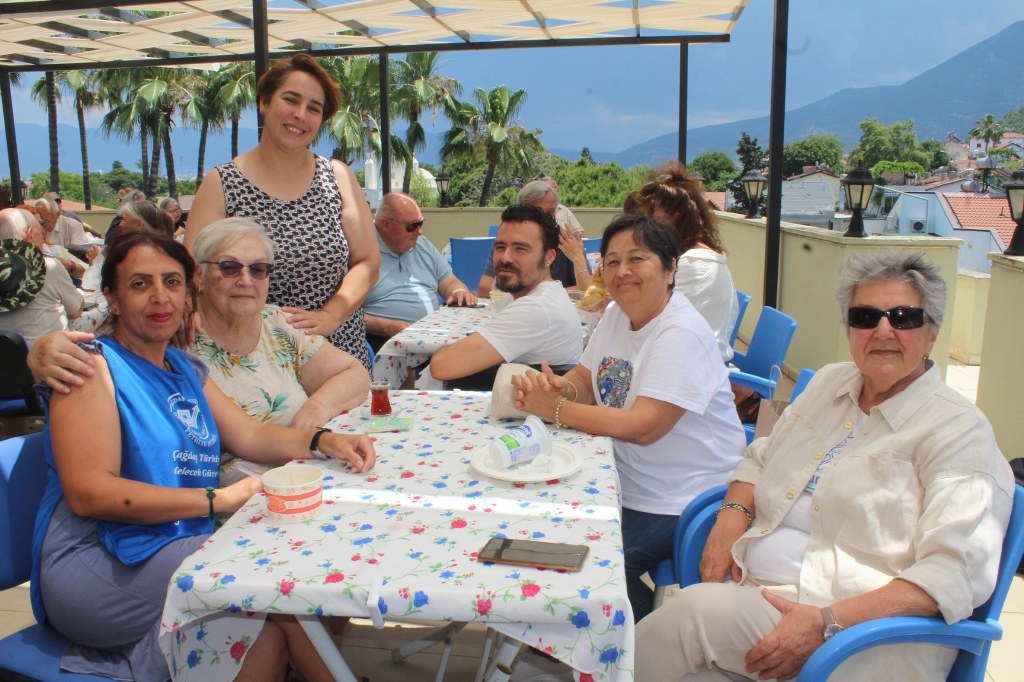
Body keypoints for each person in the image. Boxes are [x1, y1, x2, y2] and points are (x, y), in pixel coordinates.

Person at [634, 249, 1015, 682]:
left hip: (860, 638)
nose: (883, 330)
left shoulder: (959, 433)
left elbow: (953, 573)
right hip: (761, 597)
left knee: (687, 619)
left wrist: (828, 621)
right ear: (850, 330)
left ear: (932, 334)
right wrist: (730, 517)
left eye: (904, 317)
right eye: (865, 317)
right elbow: (760, 457)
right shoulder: (832, 384)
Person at [30, 229, 375, 681]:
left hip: (173, 543)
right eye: (140, 284)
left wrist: (322, 441)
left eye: (172, 282)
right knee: (271, 569)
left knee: (266, 635)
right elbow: (89, 494)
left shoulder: (184, 366)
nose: (160, 297)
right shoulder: (91, 368)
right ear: (111, 298)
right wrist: (218, 500)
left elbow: (250, 435)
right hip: (101, 562)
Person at [511, 214, 745, 622]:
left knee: (580, 564)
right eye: (613, 261)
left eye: (637, 258)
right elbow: (584, 378)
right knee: (540, 528)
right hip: (622, 478)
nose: (622, 271)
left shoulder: (680, 332)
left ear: (670, 269)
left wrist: (556, 410)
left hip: (680, 496)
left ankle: (630, 640)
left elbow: (643, 427)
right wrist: (560, 389)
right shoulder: (618, 315)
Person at [186, 53, 379, 371]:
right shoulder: (222, 183)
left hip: (339, 356)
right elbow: (191, 272)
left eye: (313, 108)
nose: (300, 115)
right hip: (256, 362)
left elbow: (368, 261)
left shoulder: (338, 177)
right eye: (291, 100)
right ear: (264, 102)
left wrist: (330, 316)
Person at [192, 217, 370, 481]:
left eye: (258, 269)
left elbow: (355, 374)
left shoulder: (276, 324)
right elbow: (248, 437)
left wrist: (318, 406)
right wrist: (317, 440)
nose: (246, 280)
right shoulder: (180, 339)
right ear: (199, 275)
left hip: (305, 473)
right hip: (240, 495)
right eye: (229, 267)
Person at [430, 204, 583, 383]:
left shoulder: (536, 308)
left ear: (549, 257)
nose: (505, 258)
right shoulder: (544, 293)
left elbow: (441, 366)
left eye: (520, 249)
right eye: (500, 247)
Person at [625, 161, 738, 361]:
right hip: (691, 360)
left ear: (675, 218)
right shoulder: (704, 256)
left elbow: (645, 320)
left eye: (651, 219)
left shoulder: (694, 265)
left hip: (692, 367)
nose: (645, 229)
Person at [363, 192, 477, 351]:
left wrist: (458, 292)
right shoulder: (361, 250)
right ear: (385, 224)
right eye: (412, 226)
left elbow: (448, 282)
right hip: (386, 340)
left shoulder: (420, 243)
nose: (420, 231)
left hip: (434, 334)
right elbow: (342, 313)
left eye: (421, 223)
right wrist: (385, 326)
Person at [476, 180, 591, 297]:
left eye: (550, 213)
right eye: (537, 213)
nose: (545, 219)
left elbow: (587, 290)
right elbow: (484, 287)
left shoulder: (569, 243)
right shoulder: (508, 241)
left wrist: (545, 294)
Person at [0, 209, 83, 346]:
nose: (44, 236)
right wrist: (79, 293)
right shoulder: (48, 266)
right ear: (29, 235)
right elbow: (76, 311)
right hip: (50, 354)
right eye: (41, 230)